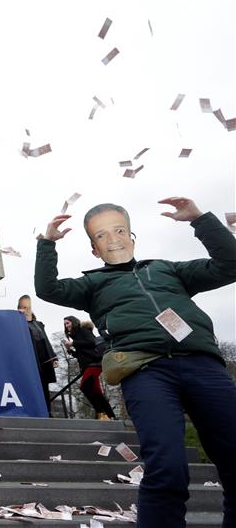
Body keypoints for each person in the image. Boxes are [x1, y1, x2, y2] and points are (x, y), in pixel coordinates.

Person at [35, 197, 236, 527]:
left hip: (203, 366)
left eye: (118, 230)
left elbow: (230, 264)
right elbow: (49, 289)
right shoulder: (93, 284)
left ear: (132, 237)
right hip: (146, 370)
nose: (112, 238)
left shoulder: (168, 269)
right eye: (100, 236)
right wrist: (47, 244)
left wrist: (199, 219)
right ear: (93, 250)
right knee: (167, 466)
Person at [63, 316, 116, 420]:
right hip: (87, 365)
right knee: (96, 391)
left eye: (68, 323)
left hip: (94, 364)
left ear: (73, 322)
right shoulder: (75, 336)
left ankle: (101, 412)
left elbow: (92, 342)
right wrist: (70, 350)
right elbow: (81, 354)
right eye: (65, 324)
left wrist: (73, 343)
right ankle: (110, 415)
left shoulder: (83, 330)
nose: (66, 325)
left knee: (84, 387)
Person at [17, 294, 58, 416]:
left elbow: (46, 341)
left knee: (43, 386)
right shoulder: (17, 323)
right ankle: (30, 411)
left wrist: (53, 357)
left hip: (43, 360)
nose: (26, 310)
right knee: (30, 385)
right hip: (28, 360)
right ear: (19, 308)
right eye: (23, 307)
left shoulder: (38, 324)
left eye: (28, 307)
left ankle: (47, 411)